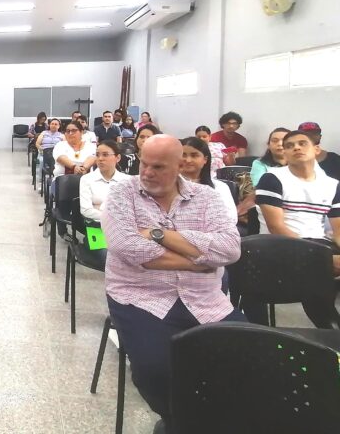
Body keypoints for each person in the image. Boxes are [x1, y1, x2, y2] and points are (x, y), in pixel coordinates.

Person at [103, 135, 245, 426]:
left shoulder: (206, 197)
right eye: (144, 164)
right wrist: (202, 260)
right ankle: (176, 421)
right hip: (141, 296)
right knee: (155, 370)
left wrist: (158, 234)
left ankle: (209, 419)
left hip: (205, 298)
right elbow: (126, 246)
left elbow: (230, 249)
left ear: (179, 165)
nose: (147, 173)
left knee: (248, 358)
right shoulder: (122, 193)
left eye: (158, 167)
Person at [256, 130, 340, 275]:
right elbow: (276, 228)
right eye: (289, 146)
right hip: (280, 245)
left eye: (302, 143)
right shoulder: (271, 178)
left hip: (319, 243)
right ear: (285, 153)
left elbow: (338, 231)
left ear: (316, 149)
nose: (296, 148)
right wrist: (321, 256)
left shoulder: (333, 185)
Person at [180, 137, 238, 223]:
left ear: (205, 159)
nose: (188, 160)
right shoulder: (168, 186)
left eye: (194, 155)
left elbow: (231, 218)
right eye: (183, 155)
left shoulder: (220, 187)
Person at [79, 141, 129, 222]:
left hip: (123, 227)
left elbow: (130, 209)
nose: (100, 159)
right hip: (96, 226)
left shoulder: (127, 180)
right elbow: (86, 211)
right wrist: (114, 217)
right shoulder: (87, 179)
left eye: (105, 155)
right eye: (97, 155)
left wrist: (99, 207)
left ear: (118, 158)